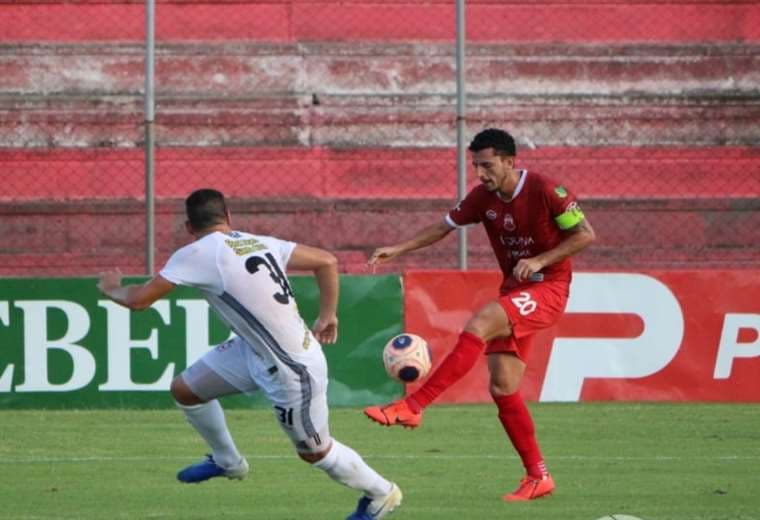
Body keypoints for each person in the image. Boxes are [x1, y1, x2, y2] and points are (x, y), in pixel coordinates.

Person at [97, 188, 402, 520]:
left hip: (290, 367)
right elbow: (326, 260)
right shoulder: (260, 242)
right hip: (253, 351)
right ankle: (228, 461)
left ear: (189, 227)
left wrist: (111, 287)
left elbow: (138, 300)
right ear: (228, 217)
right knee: (185, 389)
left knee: (315, 452)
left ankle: (381, 494)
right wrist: (328, 313)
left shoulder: (196, 253)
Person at [364, 128, 596, 501]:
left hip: (548, 287)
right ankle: (538, 476)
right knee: (503, 387)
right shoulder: (482, 198)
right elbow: (443, 227)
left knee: (480, 323)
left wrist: (539, 259)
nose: (481, 173)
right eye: (476, 166)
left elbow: (585, 235)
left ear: (509, 161)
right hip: (516, 290)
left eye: (487, 165)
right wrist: (399, 248)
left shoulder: (547, 190)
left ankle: (413, 405)